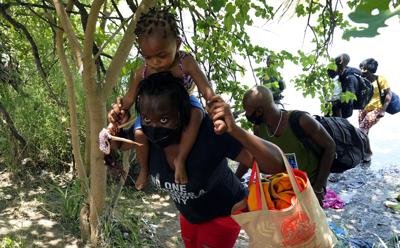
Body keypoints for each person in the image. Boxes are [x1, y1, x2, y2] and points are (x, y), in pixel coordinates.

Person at [116, 72, 284, 248]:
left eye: (164, 119)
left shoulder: (210, 133)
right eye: (147, 119)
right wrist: (114, 125)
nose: (154, 126)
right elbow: (117, 144)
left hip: (223, 214)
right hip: (189, 216)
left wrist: (234, 129)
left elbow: (277, 165)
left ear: (182, 113)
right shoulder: (144, 136)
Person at [108, 8, 226, 190]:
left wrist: (216, 105)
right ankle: (144, 169)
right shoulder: (143, 71)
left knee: (196, 115)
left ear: (177, 44)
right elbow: (129, 99)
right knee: (140, 133)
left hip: (183, 104)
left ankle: (181, 158)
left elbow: (206, 89)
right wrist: (117, 111)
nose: (155, 62)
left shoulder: (185, 62)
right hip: (154, 112)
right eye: (148, 57)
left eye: (161, 55)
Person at [237, 85, 336, 205]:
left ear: (259, 111)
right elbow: (252, 154)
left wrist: (319, 187)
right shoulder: (259, 129)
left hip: (310, 187)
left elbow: (330, 146)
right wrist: (235, 178)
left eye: (248, 112)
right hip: (284, 189)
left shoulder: (301, 121)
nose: (247, 116)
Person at [358, 58, 392, 134]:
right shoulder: (362, 80)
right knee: (364, 132)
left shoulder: (380, 79)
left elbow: (389, 94)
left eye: (365, 70)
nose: (363, 72)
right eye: (362, 69)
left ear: (371, 70)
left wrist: (383, 110)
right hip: (363, 109)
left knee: (361, 129)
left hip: (376, 109)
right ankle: (364, 146)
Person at [326, 53, 359, 118]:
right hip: (338, 105)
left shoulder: (349, 75)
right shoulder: (333, 70)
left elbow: (346, 100)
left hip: (343, 107)